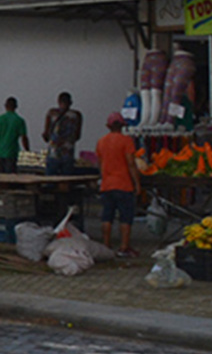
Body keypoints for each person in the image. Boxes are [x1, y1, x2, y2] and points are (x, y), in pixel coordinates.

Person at [95, 111, 144, 256]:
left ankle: (106, 245)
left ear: (108, 126)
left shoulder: (101, 142)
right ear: (122, 126)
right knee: (125, 217)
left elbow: (99, 163)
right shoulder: (126, 141)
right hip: (123, 184)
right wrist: (137, 183)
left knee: (107, 216)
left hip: (107, 184)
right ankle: (124, 247)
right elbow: (131, 163)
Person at [42, 92, 83, 176]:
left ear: (58, 101)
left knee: (50, 181)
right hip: (68, 153)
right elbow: (77, 136)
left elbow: (46, 134)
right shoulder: (77, 115)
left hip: (53, 153)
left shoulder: (51, 113)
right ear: (71, 102)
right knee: (66, 181)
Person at [0, 96, 31, 173]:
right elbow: (24, 138)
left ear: (5, 106)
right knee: (11, 176)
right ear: (16, 107)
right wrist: (27, 150)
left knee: (1, 176)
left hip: (0, 151)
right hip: (12, 152)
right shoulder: (19, 120)